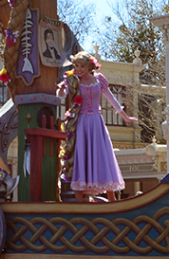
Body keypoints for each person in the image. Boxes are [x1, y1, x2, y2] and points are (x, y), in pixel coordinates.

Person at [56, 53, 137, 202]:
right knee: (81, 155)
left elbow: (111, 98)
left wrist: (125, 117)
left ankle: (112, 201)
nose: (79, 69)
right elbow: (61, 95)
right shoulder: (73, 80)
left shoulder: (99, 80)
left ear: (89, 66)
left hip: (96, 122)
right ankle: (81, 202)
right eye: (76, 66)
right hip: (81, 123)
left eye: (82, 66)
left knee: (101, 155)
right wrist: (61, 89)